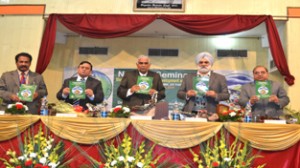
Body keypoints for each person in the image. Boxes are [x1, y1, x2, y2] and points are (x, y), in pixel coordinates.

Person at [177, 52, 230, 120]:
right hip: (190, 113)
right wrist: (187, 94)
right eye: (201, 62)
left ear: (211, 64)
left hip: (211, 113)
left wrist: (215, 95)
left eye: (206, 62)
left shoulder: (220, 78)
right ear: (197, 64)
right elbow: (179, 93)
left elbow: (226, 95)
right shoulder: (188, 77)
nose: (203, 64)